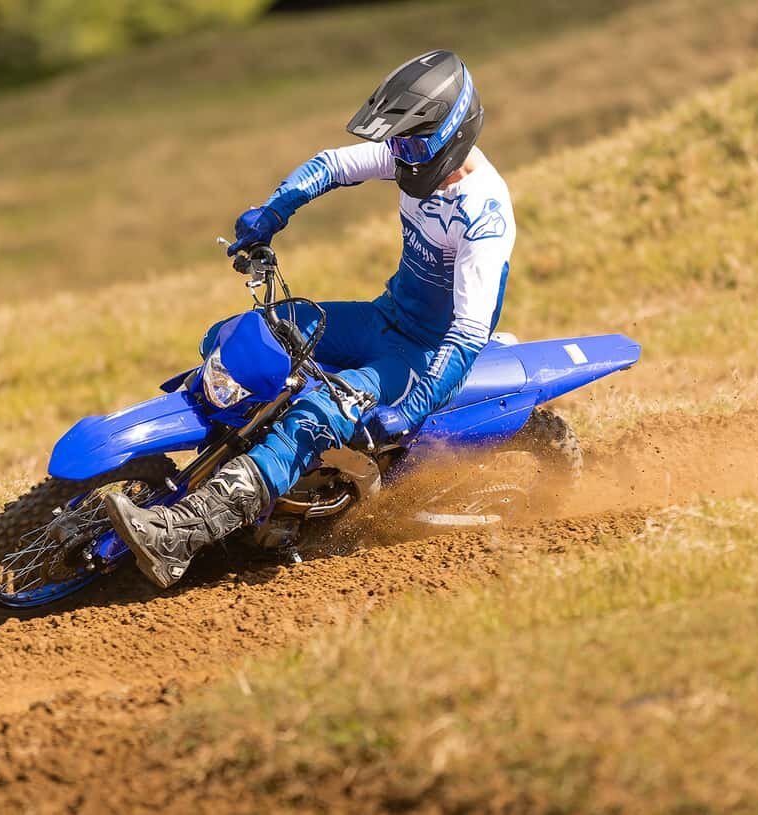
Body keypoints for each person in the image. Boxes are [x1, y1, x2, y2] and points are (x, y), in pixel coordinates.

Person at [106, 49, 516, 589]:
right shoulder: (411, 155)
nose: (402, 158)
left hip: (423, 354)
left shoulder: (485, 217)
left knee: (320, 412)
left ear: (454, 134)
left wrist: (412, 407)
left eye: (413, 146)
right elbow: (331, 165)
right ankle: (224, 456)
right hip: (386, 317)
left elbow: (465, 336)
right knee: (262, 330)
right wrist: (272, 213)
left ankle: (182, 536)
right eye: (398, 144)